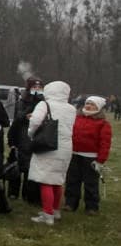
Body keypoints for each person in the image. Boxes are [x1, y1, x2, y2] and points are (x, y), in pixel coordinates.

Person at [28, 81, 76, 225]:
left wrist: (31, 133)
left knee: (46, 180)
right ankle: (56, 210)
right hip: (66, 147)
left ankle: (47, 214)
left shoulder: (44, 104)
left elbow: (35, 121)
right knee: (58, 180)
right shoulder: (71, 108)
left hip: (47, 145)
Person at [65, 96, 110, 214]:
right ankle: (70, 203)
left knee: (91, 183)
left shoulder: (103, 123)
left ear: (98, 108)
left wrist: (100, 160)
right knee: (72, 180)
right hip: (74, 155)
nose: (88, 106)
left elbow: (105, 142)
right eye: (87, 103)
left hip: (91, 157)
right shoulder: (76, 118)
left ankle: (91, 206)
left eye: (92, 105)